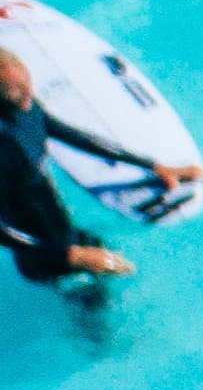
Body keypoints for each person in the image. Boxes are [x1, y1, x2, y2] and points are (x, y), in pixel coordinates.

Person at [0, 40, 171, 289]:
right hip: (42, 255)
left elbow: (68, 133)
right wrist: (72, 257)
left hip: (61, 230)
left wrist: (150, 165)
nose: (27, 94)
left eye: (26, 81)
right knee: (90, 305)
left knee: (109, 268)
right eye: (14, 90)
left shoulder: (24, 104)